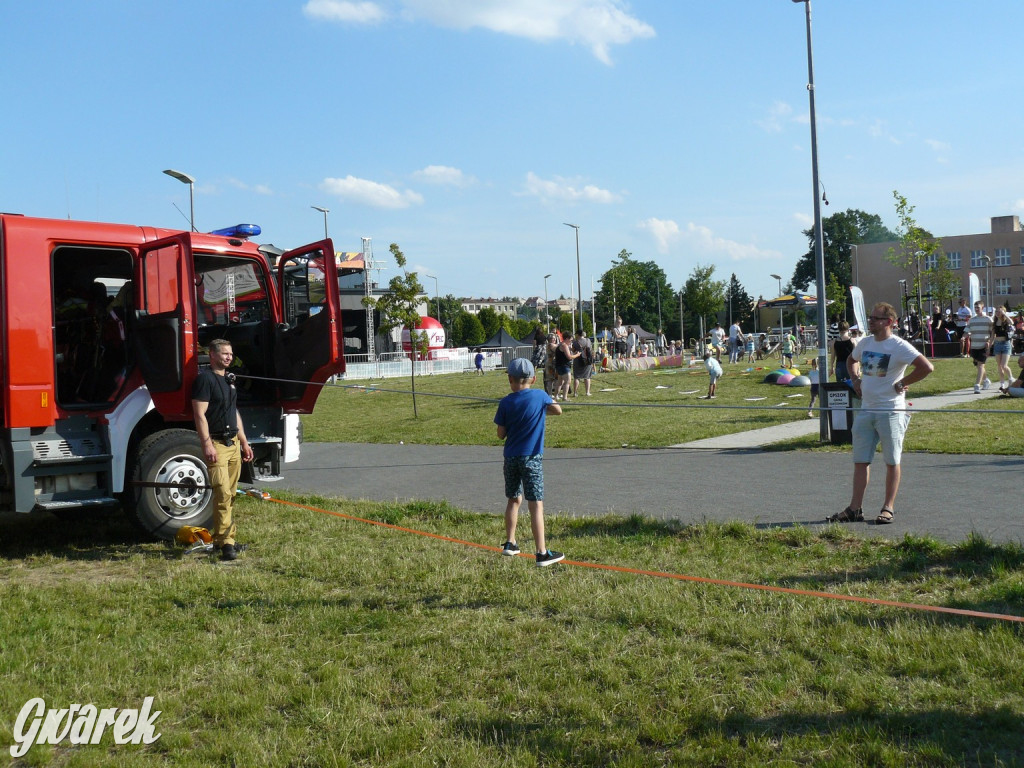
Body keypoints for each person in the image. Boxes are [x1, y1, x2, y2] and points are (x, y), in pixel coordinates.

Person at [828, 302, 933, 525]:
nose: (871, 321)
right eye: (870, 317)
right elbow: (851, 360)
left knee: (892, 461)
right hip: (866, 410)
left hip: (891, 411)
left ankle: (888, 508)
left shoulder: (899, 346)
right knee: (860, 461)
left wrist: (903, 382)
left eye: (875, 318)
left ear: (890, 322)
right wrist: (855, 379)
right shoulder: (865, 342)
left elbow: (926, 367)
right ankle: (854, 509)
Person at [494, 357, 564, 567]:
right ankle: (542, 553)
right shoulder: (541, 396)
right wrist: (541, 408)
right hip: (532, 458)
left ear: (510, 379)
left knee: (514, 499)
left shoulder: (505, 402)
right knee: (535, 504)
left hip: (511, 458)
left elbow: (500, 434)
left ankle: (510, 543)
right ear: (533, 379)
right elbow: (558, 410)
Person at [191, 339, 254, 561]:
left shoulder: (229, 380)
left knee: (230, 495)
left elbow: (233, 412)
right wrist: (206, 443)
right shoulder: (204, 380)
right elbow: (199, 415)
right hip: (216, 444)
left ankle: (221, 539)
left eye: (231, 353)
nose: (229, 357)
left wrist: (244, 441)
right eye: (225, 354)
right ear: (212, 355)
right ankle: (228, 544)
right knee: (222, 493)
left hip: (233, 443)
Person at [966, 301, 994, 393]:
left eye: (978, 307)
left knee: (981, 365)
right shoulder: (972, 320)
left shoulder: (988, 319)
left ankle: (977, 385)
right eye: (975, 307)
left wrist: (989, 342)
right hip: (974, 346)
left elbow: (993, 333)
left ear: (983, 307)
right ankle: (986, 380)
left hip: (984, 346)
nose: (976, 309)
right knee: (978, 366)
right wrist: (963, 337)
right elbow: (967, 331)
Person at [992, 305, 1014, 392]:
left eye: (999, 311)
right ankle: (1002, 384)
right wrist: (989, 345)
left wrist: (1004, 314)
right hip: (997, 344)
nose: (997, 313)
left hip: (1006, 344)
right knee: (999, 366)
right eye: (996, 311)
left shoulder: (1006, 322)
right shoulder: (994, 322)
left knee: (1004, 365)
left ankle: (1011, 378)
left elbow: (1011, 322)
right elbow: (992, 336)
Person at [553, 333, 578, 400]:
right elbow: (569, 357)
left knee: (560, 382)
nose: (571, 342)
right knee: (567, 382)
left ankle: (555, 396)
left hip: (559, 365)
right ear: (566, 339)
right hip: (564, 366)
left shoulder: (560, 345)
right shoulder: (564, 346)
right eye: (570, 340)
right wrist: (577, 355)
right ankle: (565, 397)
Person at [571, 329, 594, 397]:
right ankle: (587, 392)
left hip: (578, 360)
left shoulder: (575, 342)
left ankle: (575, 393)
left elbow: (573, 351)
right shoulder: (588, 340)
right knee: (587, 377)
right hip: (587, 360)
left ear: (578, 334)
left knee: (577, 377)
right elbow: (590, 349)